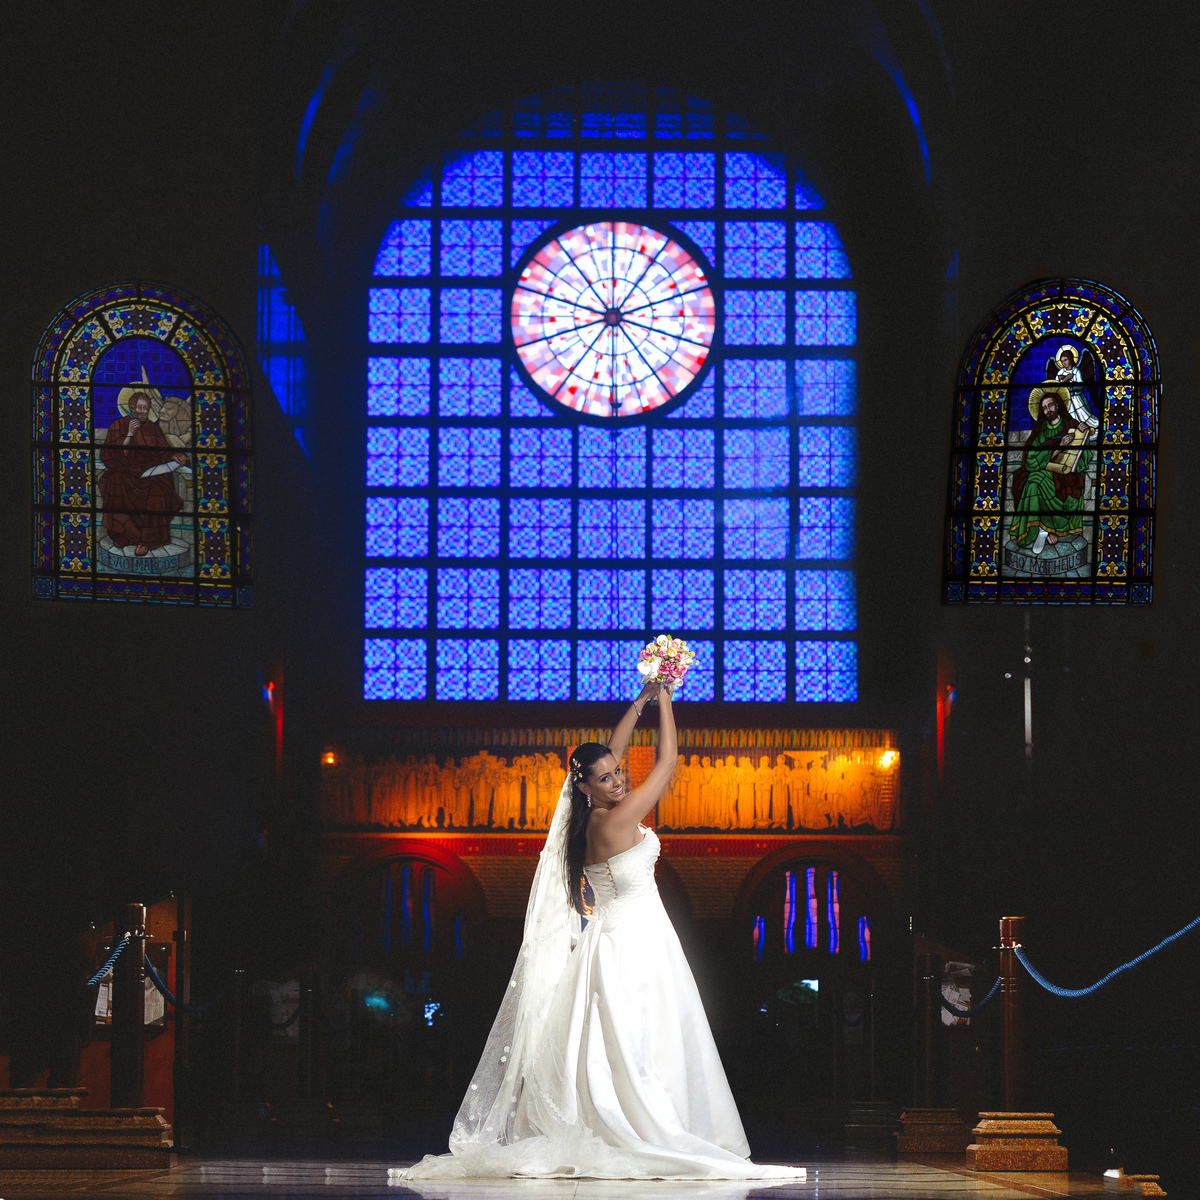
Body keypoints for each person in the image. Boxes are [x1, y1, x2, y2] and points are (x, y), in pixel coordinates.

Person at [394, 678, 805, 1182]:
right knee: (643, 1043)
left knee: (630, 1046)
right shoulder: (617, 821)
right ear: (583, 786)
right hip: (635, 944)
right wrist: (668, 698)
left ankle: (642, 1122)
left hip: (612, 943)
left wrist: (640, 702)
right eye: (606, 778)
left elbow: (610, 753)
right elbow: (669, 763)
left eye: (618, 773)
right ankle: (648, 1132)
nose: (619, 782)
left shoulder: (587, 822)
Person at [98, 390, 187, 556]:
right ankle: (123, 535)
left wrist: (174, 455)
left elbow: (164, 452)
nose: (143, 412)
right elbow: (108, 456)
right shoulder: (118, 425)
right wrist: (130, 435)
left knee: (158, 491)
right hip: (125, 473)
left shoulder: (154, 429)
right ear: (131, 408)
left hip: (152, 476)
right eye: (139, 408)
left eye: (146, 408)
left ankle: (148, 541)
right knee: (115, 481)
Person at [1009, 386, 1092, 556]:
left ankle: (1045, 529)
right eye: (1044, 408)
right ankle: (1040, 529)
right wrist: (1057, 449)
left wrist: (1083, 433)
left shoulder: (1071, 424)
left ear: (1058, 405)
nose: (1048, 410)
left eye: (1050, 405)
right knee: (1032, 481)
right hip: (1044, 471)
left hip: (1065, 474)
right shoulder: (1040, 431)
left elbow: (1084, 454)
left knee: (1037, 482)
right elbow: (1031, 460)